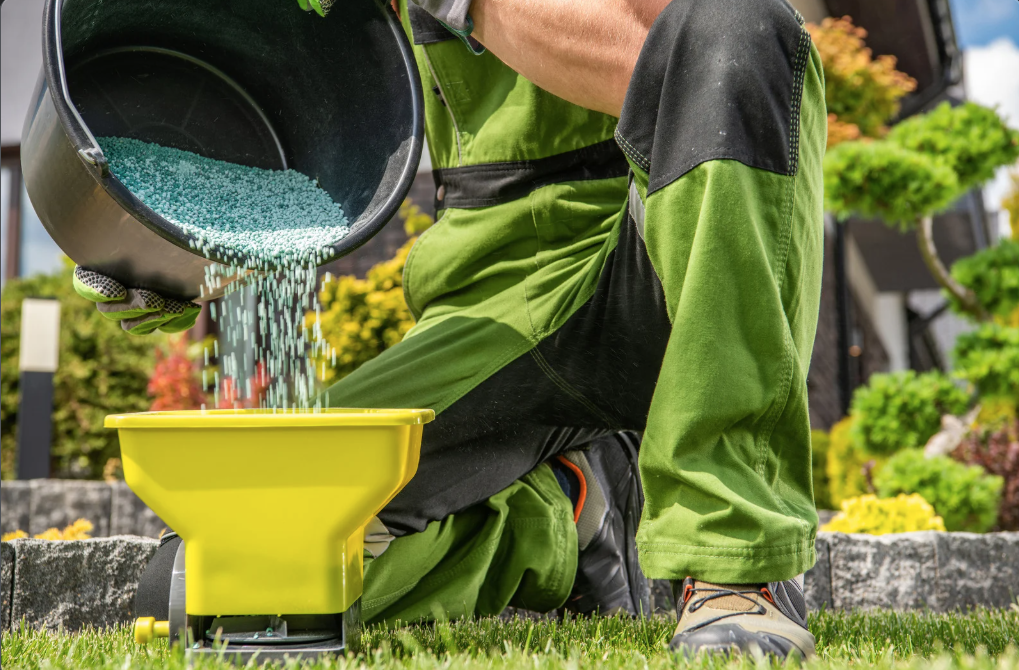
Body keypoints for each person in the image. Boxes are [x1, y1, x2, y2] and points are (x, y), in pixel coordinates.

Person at [75, 0, 826, 658]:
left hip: (673, 266)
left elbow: (669, 59)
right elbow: (306, 110)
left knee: (737, 22)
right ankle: (564, 518)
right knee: (218, 578)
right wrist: (173, 241)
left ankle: (736, 567)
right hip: (498, 298)